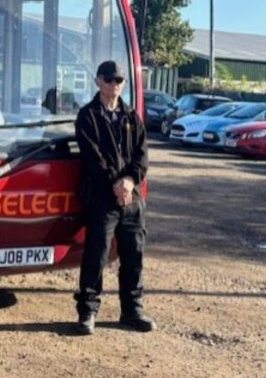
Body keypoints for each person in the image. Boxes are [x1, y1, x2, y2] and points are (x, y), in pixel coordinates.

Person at [73, 60, 155, 335]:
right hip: (102, 197)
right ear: (98, 81)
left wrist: (130, 181)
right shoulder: (87, 116)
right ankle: (87, 311)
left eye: (119, 80)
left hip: (131, 198)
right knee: (96, 255)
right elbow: (92, 156)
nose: (114, 85)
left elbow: (142, 156)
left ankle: (132, 310)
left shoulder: (132, 117)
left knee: (134, 255)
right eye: (109, 80)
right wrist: (115, 185)